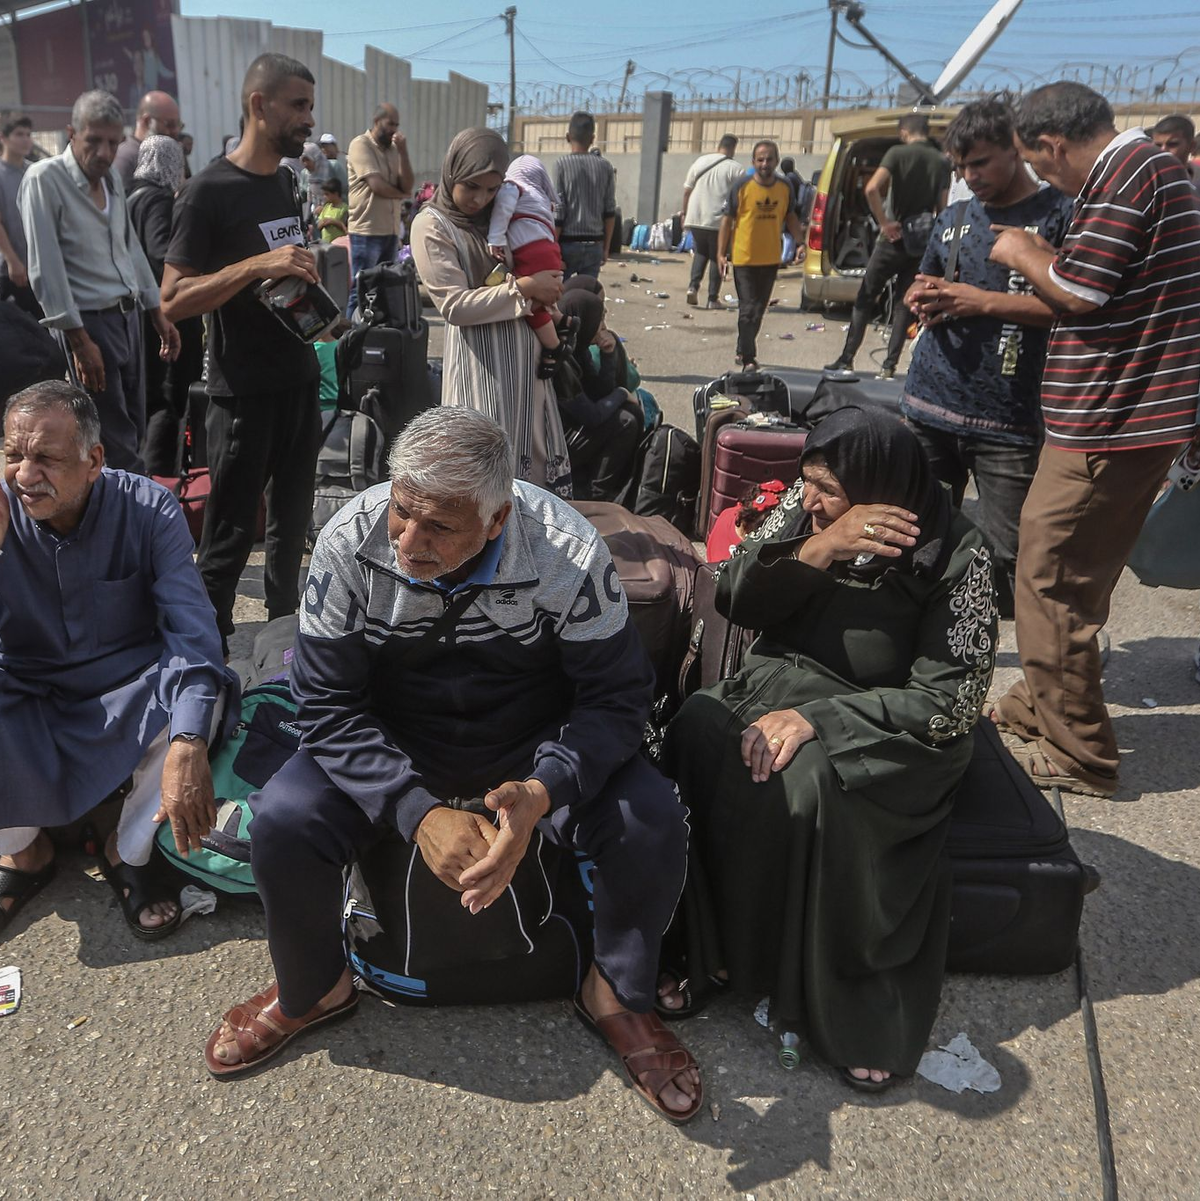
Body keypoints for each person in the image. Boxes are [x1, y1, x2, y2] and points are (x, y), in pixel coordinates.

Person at [202, 407, 702, 1122]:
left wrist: (544, 787)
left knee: (649, 818)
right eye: (403, 511)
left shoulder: (567, 549)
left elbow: (618, 698)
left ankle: (616, 993)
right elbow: (323, 703)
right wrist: (415, 808)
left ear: (497, 521)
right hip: (396, 735)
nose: (408, 540)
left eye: (439, 526)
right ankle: (315, 986)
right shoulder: (350, 540)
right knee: (284, 818)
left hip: (530, 739)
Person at [665, 405, 997, 1089]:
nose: (807, 498)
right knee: (698, 726)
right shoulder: (811, 505)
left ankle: (846, 1002)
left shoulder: (959, 555)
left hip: (890, 722)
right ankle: (713, 951)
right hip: (785, 679)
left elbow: (952, 702)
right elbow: (734, 594)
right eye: (806, 481)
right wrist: (819, 546)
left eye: (828, 490)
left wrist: (826, 719)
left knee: (807, 775)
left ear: (884, 484)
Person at [987, 82, 1200, 798]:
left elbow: (1082, 291)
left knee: (1047, 578)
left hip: (1109, 421)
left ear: (1053, 145)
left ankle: (1078, 751)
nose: (1047, 180)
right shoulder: (1150, 172)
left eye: (1042, 167)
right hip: (1129, 419)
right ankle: (1039, 703)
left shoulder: (1127, 173)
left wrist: (1023, 250)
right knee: (1079, 574)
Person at [0, 382, 228, 939]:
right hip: (25, 688)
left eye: (47, 459)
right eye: (12, 455)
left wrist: (188, 742)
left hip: (127, 690)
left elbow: (193, 634)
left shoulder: (148, 509)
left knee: (203, 698)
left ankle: (126, 851)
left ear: (94, 460)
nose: (26, 475)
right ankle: (22, 852)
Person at [161, 53, 323, 654]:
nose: (309, 118)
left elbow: (280, 273)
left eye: (310, 105)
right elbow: (173, 299)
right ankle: (204, 665)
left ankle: (287, 651)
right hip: (242, 394)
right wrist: (258, 263)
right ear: (260, 105)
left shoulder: (283, 182)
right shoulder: (207, 192)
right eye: (299, 106)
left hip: (298, 378)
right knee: (228, 540)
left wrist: (312, 299)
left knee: (291, 530)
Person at [901, 96, 1074, 617]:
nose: (969, 176)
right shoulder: (954, 217)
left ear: (1015, 149)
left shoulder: (1059, 214)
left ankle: (989, 645)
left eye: (979, 162)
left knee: (1006, 557)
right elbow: (927, 277)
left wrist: (977, 301)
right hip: (930, 404)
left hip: (1008, 420)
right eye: (960, 166)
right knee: (918, 539)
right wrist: (921, 294)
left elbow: (1071, 305)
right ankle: (930, 644)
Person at [19, 89, 180, 473]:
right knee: (110, 439)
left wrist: (157, 312)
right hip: (88, 324)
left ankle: (126, 515)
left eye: (113, 142)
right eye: (94, 141)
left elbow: (130, 250)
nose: (105, 153)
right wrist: (79, 340)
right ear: (72, 132)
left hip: (127, 319)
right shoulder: (45, 178)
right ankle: (129, 523)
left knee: (133, 426)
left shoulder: (110, 182)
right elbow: (45, 267)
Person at [410, 127, 571, 497]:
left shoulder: (500, 218)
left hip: (526, 365)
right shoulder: (432, 224)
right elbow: (454, 306)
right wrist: (528, 288)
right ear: (452, 174)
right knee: (483, 481)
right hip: (480, 370)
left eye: (492, 189)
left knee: (532, 479)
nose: (480, 199)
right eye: (471, 186)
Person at [826, 113, 950, 380]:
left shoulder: (897, 153)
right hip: (921, 242)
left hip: (892, 240)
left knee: (865, 297)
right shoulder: (941, 161)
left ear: (904, 132)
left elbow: (872, 188)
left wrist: (884, 222)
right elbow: (942, 208)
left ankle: (847, 360)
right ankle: (888, 366)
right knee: (904, 305)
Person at [128, 134, 202, 477]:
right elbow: (160, 256)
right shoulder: (158, 200)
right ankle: (162, 476)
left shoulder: (131, 197)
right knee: (168, 401)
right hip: (166, 317)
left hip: (138, 313)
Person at [717, 140, 804, 371]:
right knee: (747, 310)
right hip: (744, 258)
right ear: (753, 162)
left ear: (776, 160)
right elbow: (727, 221)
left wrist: (800, 243)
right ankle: (748, 358)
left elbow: (790, 216)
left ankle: (741, 347)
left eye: (769, 159)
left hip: (770, 259)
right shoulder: (741, 186)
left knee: (758, 310)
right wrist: (721, 253)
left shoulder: (785, 187)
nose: (765, 164)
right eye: (760, 159)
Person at [486, 154, 575, 379]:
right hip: (550, 251)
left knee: (526, 303)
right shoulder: (541, 197)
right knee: (539, 299)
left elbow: (503, 209)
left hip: (532, 252)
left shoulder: (512, 187)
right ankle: (563, 321)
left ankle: (554, 347)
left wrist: (495, 238)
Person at [556, 286, 642, 502]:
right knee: (625, 421)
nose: (603, 328)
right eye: (598, 321)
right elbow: (592, 416)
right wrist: (622, 393)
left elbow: (600, 391)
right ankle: (597, 496)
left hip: (574, 431)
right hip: (558, 447)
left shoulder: (579, 349)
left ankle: (610, 488)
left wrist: (609, 355)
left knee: (630, 412)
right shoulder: (560, 359)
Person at [345, 103, 413, 317]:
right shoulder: (360, 144)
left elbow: (408, 185)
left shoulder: (394, 150)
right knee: (361, 291)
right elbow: (377, 185)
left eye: (397, 124)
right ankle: (352, 342)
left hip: (390, 232)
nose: (394, 129)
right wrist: (401, 194)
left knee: (384, 291)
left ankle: (375, 339)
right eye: (390, 123)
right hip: (367, 232)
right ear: (376, 122)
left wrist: (403, 152)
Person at [681, 134, 743, 309]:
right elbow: (743, 195)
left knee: (701, 252)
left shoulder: (700, 162)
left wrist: (684, 213)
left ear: (719, 145)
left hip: (696, 216)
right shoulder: (735, 168)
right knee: (718, 256)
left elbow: (686, 190)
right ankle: (712, 298)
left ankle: (693, 287)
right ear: (733, 148)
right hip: (718, 220)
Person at [553, 112, 616, 281]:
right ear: (593, 138)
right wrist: (606, 248)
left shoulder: (561, 165)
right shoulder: (605, 167)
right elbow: (610, 211)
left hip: (567, 245)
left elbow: (559, 210)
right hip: (594, 244)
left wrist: (553, 248)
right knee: (587, 295)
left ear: (568, 137)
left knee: (560, 297)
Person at [0, 115, 39, 317]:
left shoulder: (34, 171)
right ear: (3, 138)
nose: (25, 139)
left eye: (28, 134)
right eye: (19, 134)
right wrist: (12, 260)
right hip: (9, 271)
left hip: (35, 266)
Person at [113, 90, 182, 194]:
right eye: (170, 124)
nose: (175, 131)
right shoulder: (125, 157)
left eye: (178, 124)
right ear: (147, 121)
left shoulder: (168, 153)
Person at [1149, 114, 1200, 198]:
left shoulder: (1196, 178)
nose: (1163, 151)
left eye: (1172, 144)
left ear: (1191, 146)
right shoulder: (1145, 181)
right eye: (1158, 145)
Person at [315, 177, 348, 243]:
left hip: (339, 245)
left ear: (336, 194)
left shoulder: (344, 209)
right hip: (325, 244)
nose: (324, 197)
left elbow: (347, 231)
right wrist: (322, 223)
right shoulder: (326, 207)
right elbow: (318, 226)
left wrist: (334, 222)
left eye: (327, 194)